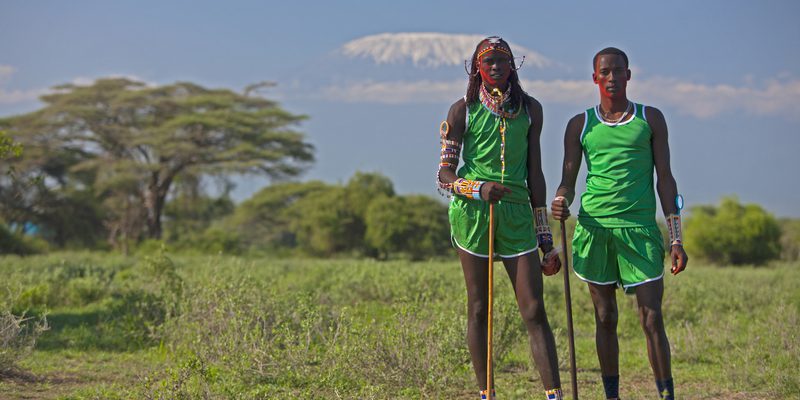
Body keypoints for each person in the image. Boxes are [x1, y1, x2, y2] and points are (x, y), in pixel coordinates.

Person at [551, 47, 689, 400]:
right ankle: (611, 395)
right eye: (605, 72)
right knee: (605, 317)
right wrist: (561, 200)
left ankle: (666, 395)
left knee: (651, 317)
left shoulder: (650, 118)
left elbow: (665, 180)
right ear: (594, 77)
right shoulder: (580, 124)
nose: (611, 77)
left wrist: (676, 238)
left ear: (629, 75)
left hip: (640, 229)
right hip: (595, 230)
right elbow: (568, 181)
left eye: (618, 71)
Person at [437, 36, 563, 400]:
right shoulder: (462, 110)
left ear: (513, 66)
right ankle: (486, 393)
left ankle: (554, 394)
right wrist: (478, 189)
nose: (495, 66)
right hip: (474, 214)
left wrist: (545, 238)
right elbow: (444, 175)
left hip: (518, 214)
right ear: (477, 67)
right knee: (479, 308)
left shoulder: (531, 110)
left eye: (502, 60)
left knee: (534, 309)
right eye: (488, 60)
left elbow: (535, 173)